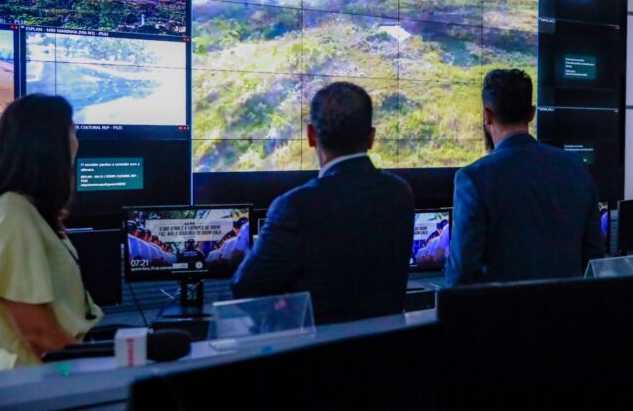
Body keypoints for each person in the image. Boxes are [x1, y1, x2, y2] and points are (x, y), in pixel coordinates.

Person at [231, 82, 414, 324]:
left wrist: (289, 302)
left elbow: (245, 288)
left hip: (319, 345)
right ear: (371, 137)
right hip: (391, 344)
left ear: (311, 136)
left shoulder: (295, 206)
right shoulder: (400, 192)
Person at [446, 69, 604, 285]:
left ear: (487, 115)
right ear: (532, 113)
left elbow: (461, 274)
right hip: (569, 305)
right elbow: (594, 258)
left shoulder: (473, 179)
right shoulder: (576, 167)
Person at [0, 94, 102, 371]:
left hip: (48, 374)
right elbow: (37, 332)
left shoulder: (28, 211)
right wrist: (86, 374)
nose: (76, 142)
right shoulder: (13, 214)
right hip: (32, 379)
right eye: (72, 131)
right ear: (50, 144)